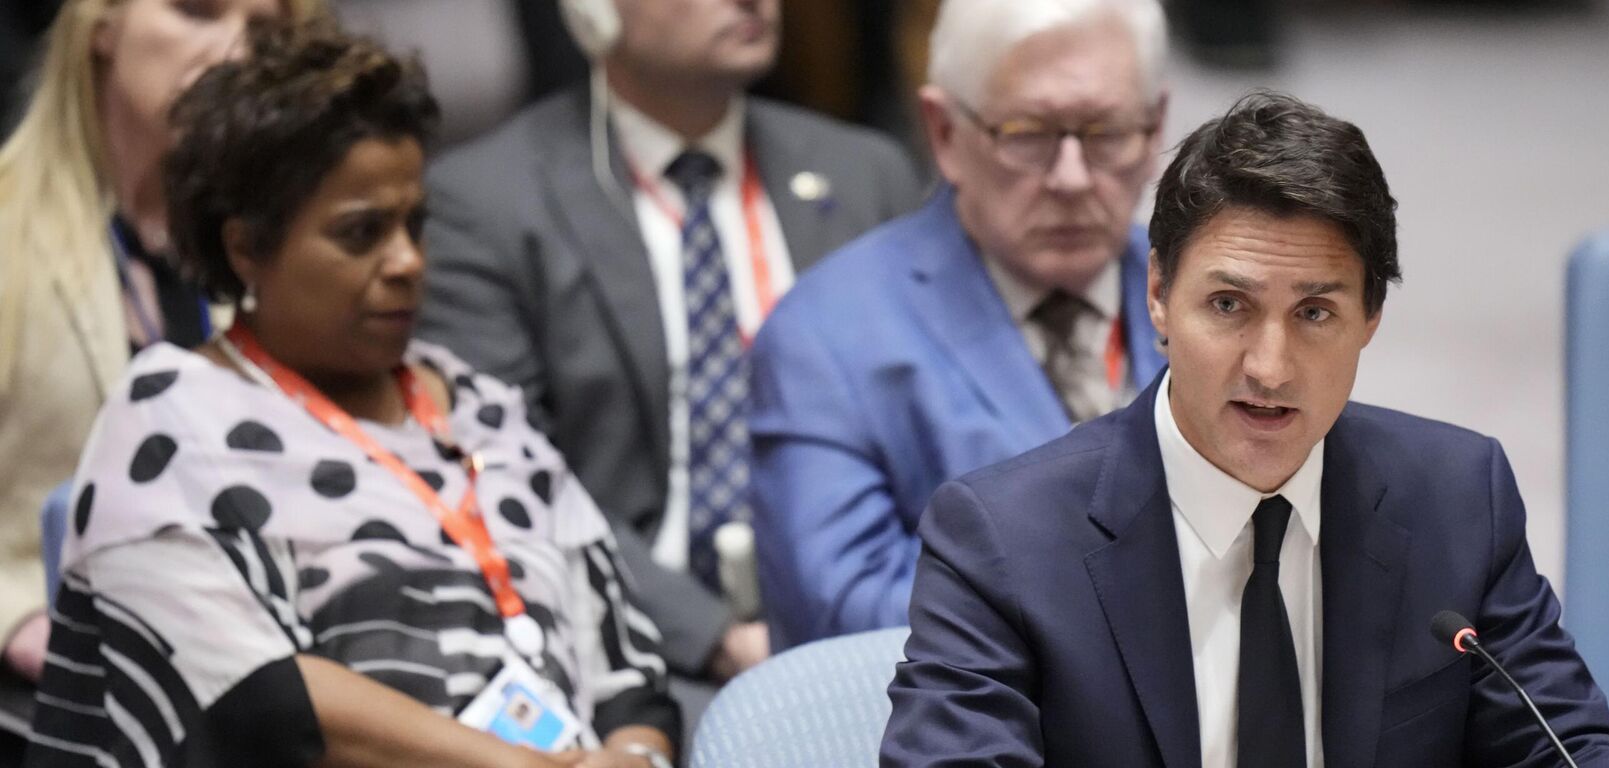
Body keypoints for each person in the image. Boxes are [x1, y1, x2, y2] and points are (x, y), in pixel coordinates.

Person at [881, 91, 1609, 768]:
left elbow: (1570, 744)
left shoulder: (1457, 498)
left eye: (1315, 313)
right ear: (1156, 294)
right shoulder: (1001, 543)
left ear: (1371, 318)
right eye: (1228, 306)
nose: (1270, 367)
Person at [29, 22, 678, 768]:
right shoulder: (173, 418)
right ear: (247, 248)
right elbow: (261, 705)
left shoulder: (483, 410)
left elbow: (631, 666)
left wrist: (632, 755)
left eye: (415, 224)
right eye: (361, 233)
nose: (407, 261)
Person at [416, 0, 922, 706]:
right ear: (595, 14)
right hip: (636, 646)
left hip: (868, 623)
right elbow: (502, 471)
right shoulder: (488, 202)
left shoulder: (866, 173)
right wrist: (715, 636)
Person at [748, 0, 1170, 650]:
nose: (1071, 177)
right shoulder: (827, 337)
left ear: (1155, 128)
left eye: (1107, 133)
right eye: (1028, 134)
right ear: (944, 133)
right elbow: (839, 620)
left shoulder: (1221, 301)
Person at [0, 0, 324, 687]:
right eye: (197, 11)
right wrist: (16, 615)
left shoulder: (278, 246)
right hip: (45, 691)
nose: (234, 54)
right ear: (102, 25)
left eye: (265, 34)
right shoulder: (8, 228)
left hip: (247, 671)